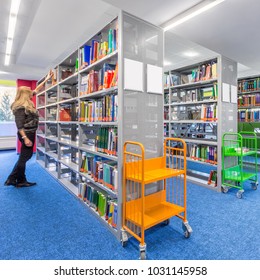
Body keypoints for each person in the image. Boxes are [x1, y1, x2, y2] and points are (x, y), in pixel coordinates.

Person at [4, 71, 53, 188]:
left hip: (30, 132)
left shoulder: (26, 103)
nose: (32, 93)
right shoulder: (20, 107)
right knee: (25, 156)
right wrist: (25, 138)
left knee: (24, 156)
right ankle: (15, 179)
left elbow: (37, 89)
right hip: (26, 133)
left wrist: (47, 79)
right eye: (30, 93)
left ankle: (16, 179)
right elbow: (19, 125)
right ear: (26, 95)